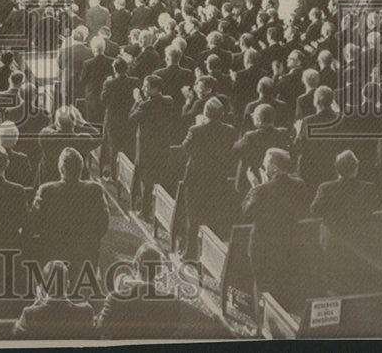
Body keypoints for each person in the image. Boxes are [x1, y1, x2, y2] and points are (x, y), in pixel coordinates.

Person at [96, 243, 225, 339]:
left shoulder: (114, 298)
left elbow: (100, 327)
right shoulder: (172, 302)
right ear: (158, 271)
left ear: (135, 266)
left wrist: (118, 291)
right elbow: (172, 332)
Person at [241, 148, 311, 316]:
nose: (263, 166)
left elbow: (246, 212)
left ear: (273, 168)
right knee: (283, 284)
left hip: (263, 247)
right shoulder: (300, 184)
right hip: (289, 244)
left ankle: (260, 326)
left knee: (262, 287)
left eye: (265, 163)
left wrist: (255, 186)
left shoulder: (261, 190)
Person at [311, 149, 379, 293]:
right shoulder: (369, 189)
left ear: (336, 168)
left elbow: (315, 210)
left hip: (334, 242)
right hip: (360, 241)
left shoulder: (326, 188)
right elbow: (372, 208)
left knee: (335, 282)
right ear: (356, 168)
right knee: (357, 282)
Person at [32, 147, 109, 273]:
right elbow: (103, 224)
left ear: (61, 169)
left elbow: (35, 222)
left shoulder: (46, 190)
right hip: (85, 254)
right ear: (81, 168)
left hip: (54, 253)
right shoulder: (95, 190)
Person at [181, 97, 237, 257]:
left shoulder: (195, 130)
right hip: (218, 178)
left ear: (205, 113)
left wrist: (199, 124)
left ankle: (190, 252)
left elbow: (185, 147)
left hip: (196, 178)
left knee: (192, 217)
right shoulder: (230, 130)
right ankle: (212, 255)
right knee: (214, 215)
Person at [128, 75, 177, 220]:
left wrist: (137, 101)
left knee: (146, 180)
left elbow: (131, 119)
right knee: (159, 176)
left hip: (146, 148)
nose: (143, 88)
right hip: (162, 145)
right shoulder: (169, 101)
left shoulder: (145, 106)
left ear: (155, 89)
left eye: (146, 86)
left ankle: (145, 211)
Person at [13, 260, 94, 339]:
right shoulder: (86, 311)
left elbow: (17, 334)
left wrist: (36, 304)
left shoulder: (29, 314)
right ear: (68, 284)